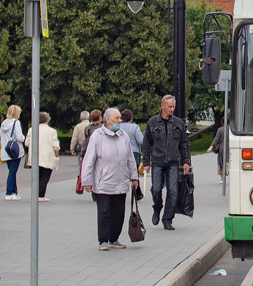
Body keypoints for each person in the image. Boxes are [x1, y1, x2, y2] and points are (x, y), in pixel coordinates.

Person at [80, 107, 139, 250]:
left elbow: (130, 158)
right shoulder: (97, 136)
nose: (119, 121)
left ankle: (114, 238)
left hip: (120, 180)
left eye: (119, 118)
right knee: (104, 211)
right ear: (107, 120)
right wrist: (86, 181)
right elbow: (89, 159)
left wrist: (134, 177)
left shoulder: (123, 135)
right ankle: (103, 240)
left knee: (119, 212)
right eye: (117, 118)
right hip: (103, 181)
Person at [142, 95, 191, 231]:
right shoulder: (152, 123)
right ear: (162, 106)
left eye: (173, 107)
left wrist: (185, 162)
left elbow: (183, 144)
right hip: (157, 161)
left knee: (173, 191)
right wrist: (146, 162)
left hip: (173, 162)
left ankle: (167, 219)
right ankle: (157, 207)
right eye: (169, 106)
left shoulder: (178, 123)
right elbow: (146, 144)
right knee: (156, 189)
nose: (172, 109)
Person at [25, 111, 61, 201]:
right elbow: (56, 145)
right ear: (47, 120)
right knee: (45, 176)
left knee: (37, 176)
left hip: (35, 156)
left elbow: (27, 143)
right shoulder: (52, 131)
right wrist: (57, 155)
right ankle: (41, 195)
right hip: (47, 156)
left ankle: (36, 194)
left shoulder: (32, 129)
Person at [0, 105, 26, 200]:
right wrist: (23, 138)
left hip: (6, 150)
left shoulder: (3, 123)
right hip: (15, 150)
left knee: (11, 170)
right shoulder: (16, 122)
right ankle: (9, 192)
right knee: (12, 172)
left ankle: (14, 191)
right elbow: (19, 137)